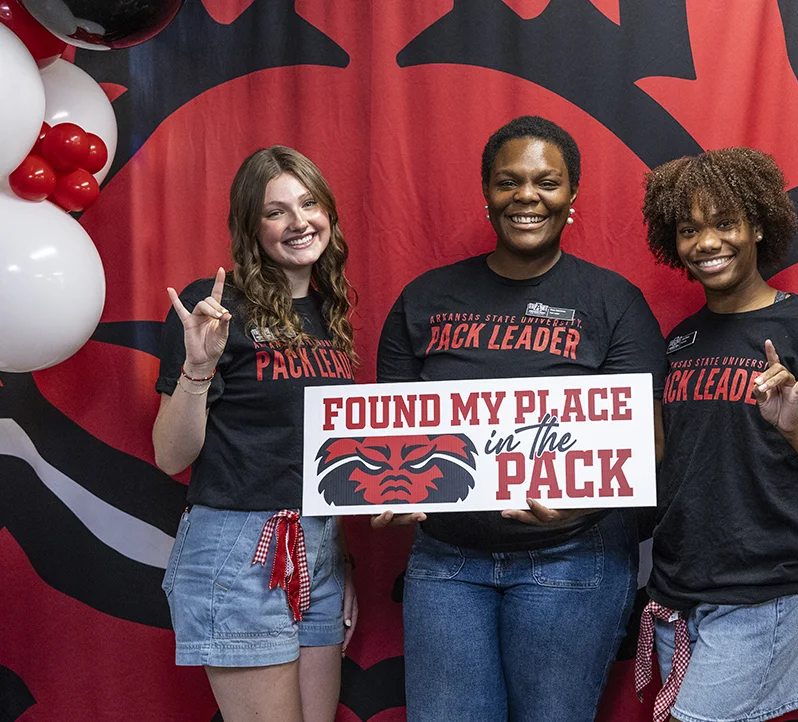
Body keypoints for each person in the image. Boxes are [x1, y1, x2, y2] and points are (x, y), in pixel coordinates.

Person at [375, 115, 667, 722]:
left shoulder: (612, 303)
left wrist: (583, 503)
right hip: (447, 561)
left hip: (571, 556)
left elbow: (648, 440)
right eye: (508, 182)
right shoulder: (425, 299)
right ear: (487, 194)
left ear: (571, 197)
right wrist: (389, 490)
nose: (526, 197)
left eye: (546, 183)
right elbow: (391, 432)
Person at [635, 147, 798, 722]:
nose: (707, 242)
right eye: (690, 230)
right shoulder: (680, 341)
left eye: (724, 223)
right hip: (678, 590)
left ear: (759, 225)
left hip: (762, 594)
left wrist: (795, 429)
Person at [153, 146, 359, 722]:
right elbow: (170, 456)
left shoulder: (329, 313)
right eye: (276, 211)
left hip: (317, 544)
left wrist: (338, 559)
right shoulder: (217, 309)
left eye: (309, 203)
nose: (299, 222)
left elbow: (319, 457)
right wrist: (199, 364)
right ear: (251, 226)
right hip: (240, 547)